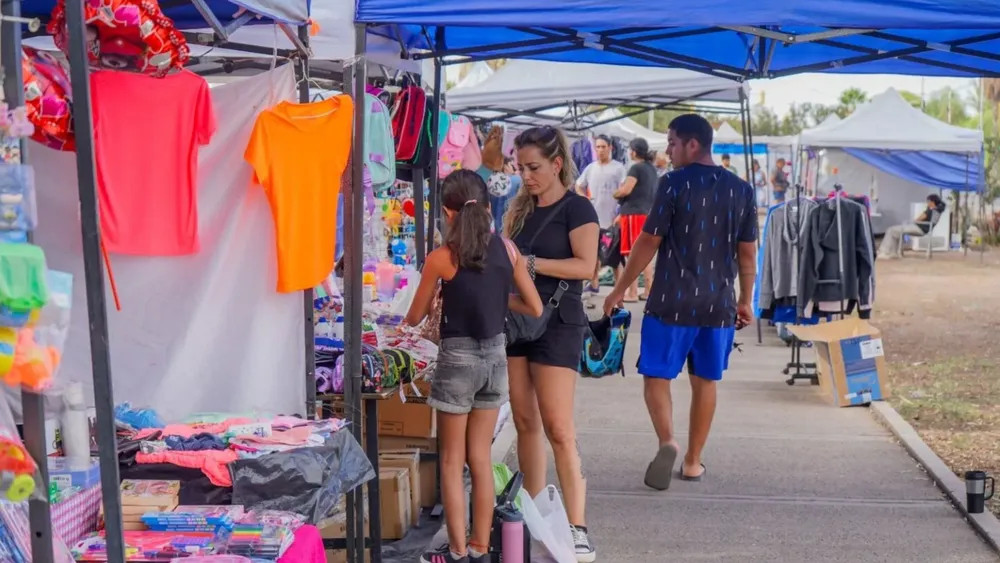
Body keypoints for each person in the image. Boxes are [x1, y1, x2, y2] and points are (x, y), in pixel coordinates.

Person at [604, 114, 757, 491]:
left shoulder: (673, 183)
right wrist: (745, 301)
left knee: (656, 375)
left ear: (692, 144)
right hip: (718, 305)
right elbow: (748, 254)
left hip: (671, 300)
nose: (668, 150)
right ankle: (691, 462)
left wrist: (619, 287)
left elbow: (648, 241)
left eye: (672, 142)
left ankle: (667, 441)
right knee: (705, 381)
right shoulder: (742, 189)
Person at [407, 170, 543, 563]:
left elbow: (414, 317)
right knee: (479, 457)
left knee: (451, 461)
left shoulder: (441, 258)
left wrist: (437, 297)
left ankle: (456, 550)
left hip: (458, 359)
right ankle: (482, 549)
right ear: (487, 206)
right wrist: (500, 301)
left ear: (448, 214)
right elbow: (533, 306)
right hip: (495, 358)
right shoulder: (509, 250)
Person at [506, 126, 600, 562]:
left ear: (557, 163)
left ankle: (577, 527)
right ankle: (535, 513)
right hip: (518, 322)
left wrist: (530, 262)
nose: (525, 175)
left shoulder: (577, 208)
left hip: (559, 322)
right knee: (525, 422)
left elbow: (586, 267)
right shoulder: (519, 211)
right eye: (520, 167)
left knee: (559, 428)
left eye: (534, 167)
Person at [576, 134, 627, 294]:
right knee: (593, 254)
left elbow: (626, 191)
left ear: (610, 148)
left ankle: (619, 289)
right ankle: (594, 283)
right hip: (593, 219)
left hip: (612, 220)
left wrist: (621, 212)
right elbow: (578, 185)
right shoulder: (591, 168)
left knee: (614, 258)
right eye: (597, 147)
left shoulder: (618, 168)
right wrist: (583, 198)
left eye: (603, 147)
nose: (600, 150)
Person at [614, 137, 658, 301]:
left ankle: (632, 293)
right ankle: (648, 290)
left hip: (633, 215)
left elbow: (626, 190)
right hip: (646, 213)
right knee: (644, 254)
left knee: (631, 254)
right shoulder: (651, 169)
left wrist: (615, 193)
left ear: (633, 151)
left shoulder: (636, 168)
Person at [878, 194, 946, 259]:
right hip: (924, 230)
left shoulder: (930, 211)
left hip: (918, 228)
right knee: (896, 232)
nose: (927, 203)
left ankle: (885, 252)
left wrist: (924, 211)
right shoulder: (938, 211)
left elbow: (918, 220)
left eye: (928, 201)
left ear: (932, 202)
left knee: (890, 230)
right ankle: (893, 252)